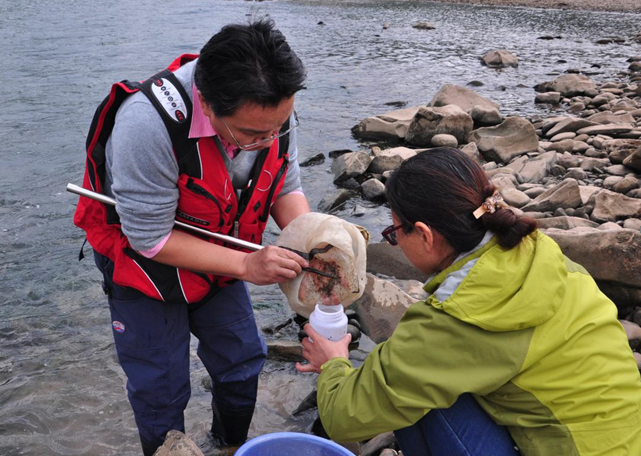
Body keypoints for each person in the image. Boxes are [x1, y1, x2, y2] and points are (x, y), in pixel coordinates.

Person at [296, 148, 641, 456]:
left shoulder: (462, 314)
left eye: (394, 234)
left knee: (414, 394)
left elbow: (345, 418)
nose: (395, 244)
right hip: (625, 439)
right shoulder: (539, 252)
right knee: (417, 374)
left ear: (426, 235)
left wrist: (334, 364)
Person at [73, 20, 311, 455]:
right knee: (160, 387)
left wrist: (313, 241)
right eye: (254, 134)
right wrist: (246, 265)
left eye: (278, 126)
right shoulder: (146, 126)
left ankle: (228, 446)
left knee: (241, 362)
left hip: (216, 252)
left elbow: (285, 186)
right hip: (146, 265)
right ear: (206, 101)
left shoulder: (270, 109)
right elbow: (149, 239)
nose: (269, 139)